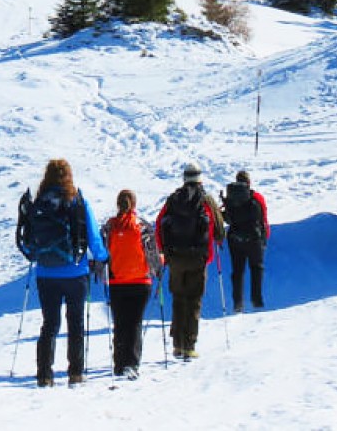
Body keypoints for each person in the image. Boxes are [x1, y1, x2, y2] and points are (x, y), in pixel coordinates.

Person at [15, 158, 109, 388]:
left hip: (46, 274)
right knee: (75, 323)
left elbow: (28, 241)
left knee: (50, 324)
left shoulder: (38, 203)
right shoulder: (77, 201)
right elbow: (94, 239)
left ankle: (44, 375)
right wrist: (102, 257)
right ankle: (75, 373)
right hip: (76, 272)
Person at [155, 162, 222, 360]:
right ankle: (189, 344)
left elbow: (159, 224)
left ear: (184, 178)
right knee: (194, 300)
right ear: (200, 179)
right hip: (197, 258)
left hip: (175, 258)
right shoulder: (206, 201)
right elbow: (218, 229)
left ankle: (177, 344)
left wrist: (164, 253)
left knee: (178, 298)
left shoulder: (173, 200)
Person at [101, 189, 160, 379]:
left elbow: (102, 253)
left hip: (117, 281)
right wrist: (158, 267)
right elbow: (152, 254)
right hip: (140, 282)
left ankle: (119, 363)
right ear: (134, 204)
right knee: (134, 323)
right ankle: (132, 363)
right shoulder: (142, 226)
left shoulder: (109, 227)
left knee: (120, 323)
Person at [222, 170, 270, 311]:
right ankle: (257, 301)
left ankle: (238, 303)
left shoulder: (230, 198)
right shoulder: (256, 197)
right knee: (256, 268)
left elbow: (227, 218)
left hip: (235, 239)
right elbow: (263, 218)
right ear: (249, 182)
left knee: (237, 271)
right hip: (254, 239)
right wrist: (264, 237)